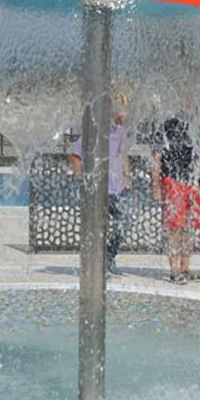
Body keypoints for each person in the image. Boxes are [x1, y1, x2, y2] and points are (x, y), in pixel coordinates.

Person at [69, 107, 130, 276]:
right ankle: (97, 266)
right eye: (123, 110)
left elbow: (123, 154)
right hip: (99, 189)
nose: (126, 114)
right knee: (98, 228)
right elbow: (75, 155)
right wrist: (81, 176)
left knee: (124, 224)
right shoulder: (95, 131)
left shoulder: (122, 132)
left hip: (118, 189)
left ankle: (109, 257)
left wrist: (127, 175)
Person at [152, 117, 200, 284]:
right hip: (173, 182)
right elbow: (157, 156)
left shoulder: (198, 125)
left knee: (190, 227)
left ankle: (185, 266)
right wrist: (155, 184)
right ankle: (174, 269)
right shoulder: (166, 123)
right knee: (174, 228)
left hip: (195, 183)